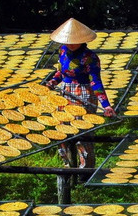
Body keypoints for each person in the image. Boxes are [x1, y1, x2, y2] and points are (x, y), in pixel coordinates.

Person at [45, 18, 117, 169]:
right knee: (63, 128)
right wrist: (53, 82)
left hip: (82, 95)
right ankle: (68, 164)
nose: (71, 44)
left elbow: (95, 82)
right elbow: (61, 72)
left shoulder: (90, 58)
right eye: (68, 41)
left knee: (82, 133)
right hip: (64, 93)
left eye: (74, 41)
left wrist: (106, 105)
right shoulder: (63, 50)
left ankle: (85, 170)